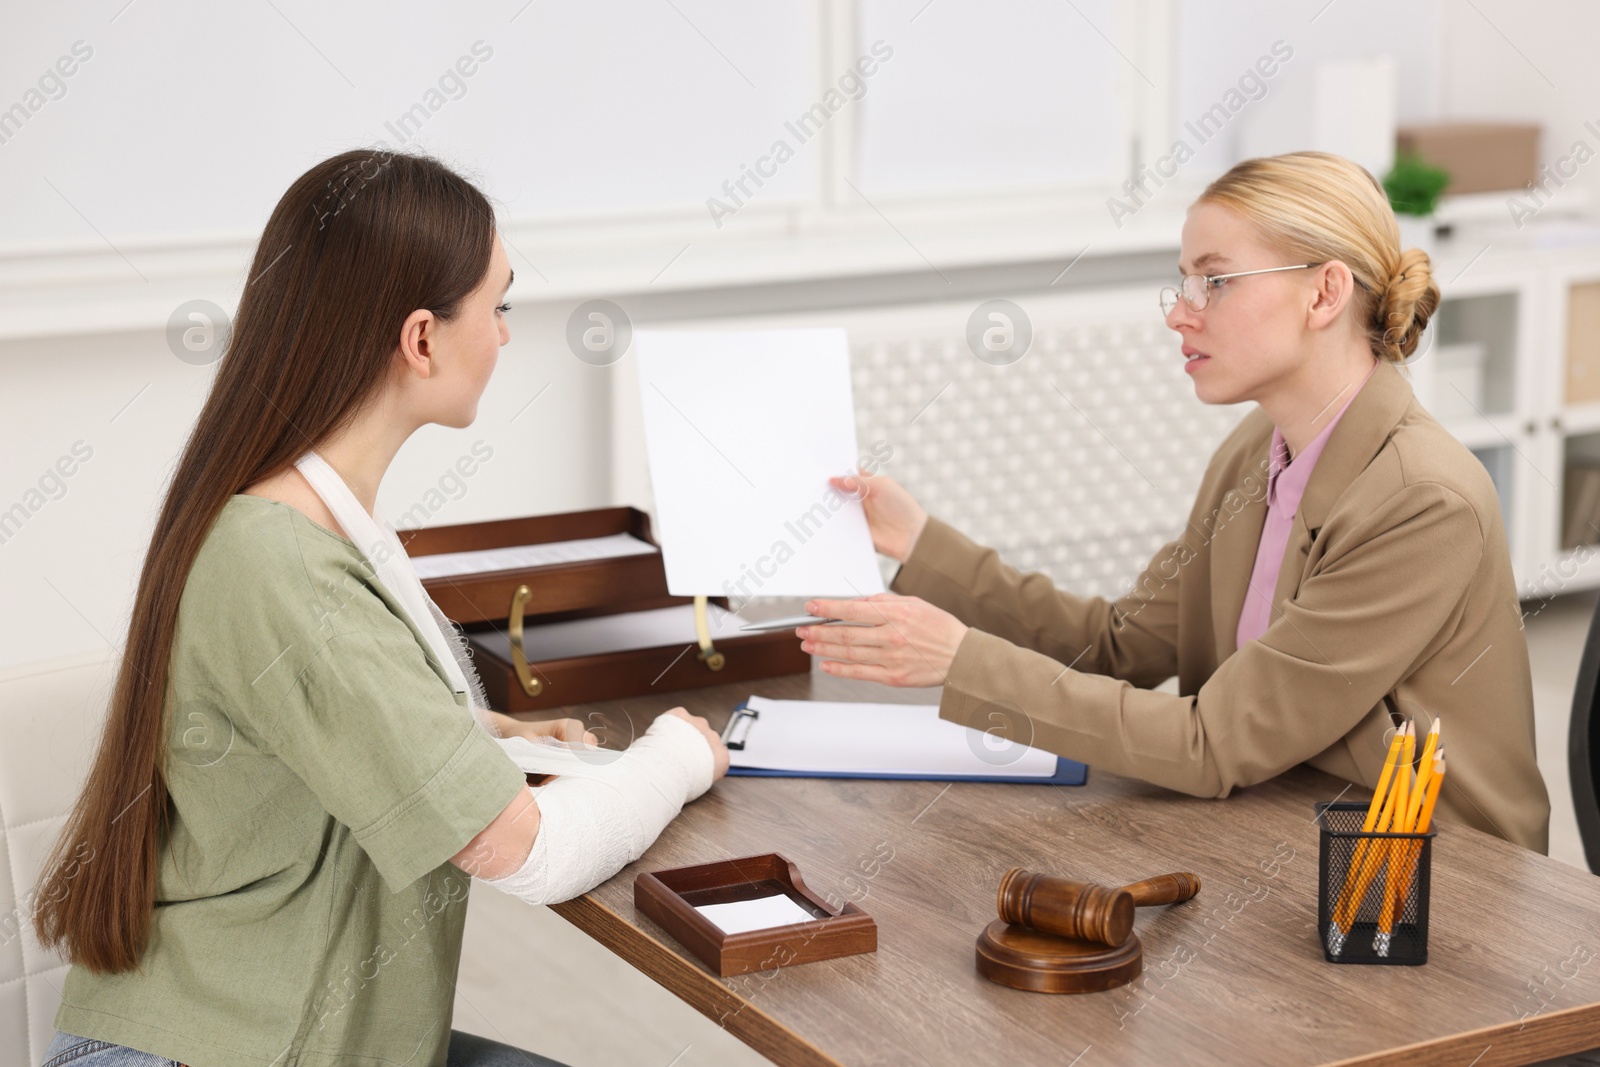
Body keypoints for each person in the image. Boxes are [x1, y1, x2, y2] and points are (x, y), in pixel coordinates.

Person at [32, 148, 729, 1067]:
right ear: (422, 339)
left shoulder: (294, 519)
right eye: (500, 305)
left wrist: (475, 734)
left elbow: (315, 714)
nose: (508, 335)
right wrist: (680, 755)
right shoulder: (281, 558)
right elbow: (530, 854)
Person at [800, 150, 1551, 854]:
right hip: (1281, 826)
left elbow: (1213, 742)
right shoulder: (1254, 453)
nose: (1180, 312)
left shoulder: (1423, 500)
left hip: (1431, 886)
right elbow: (1118, 646)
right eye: (1184, 281)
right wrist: (918, 539)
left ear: (1324, 292)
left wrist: (960, 658)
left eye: (1215, 281)